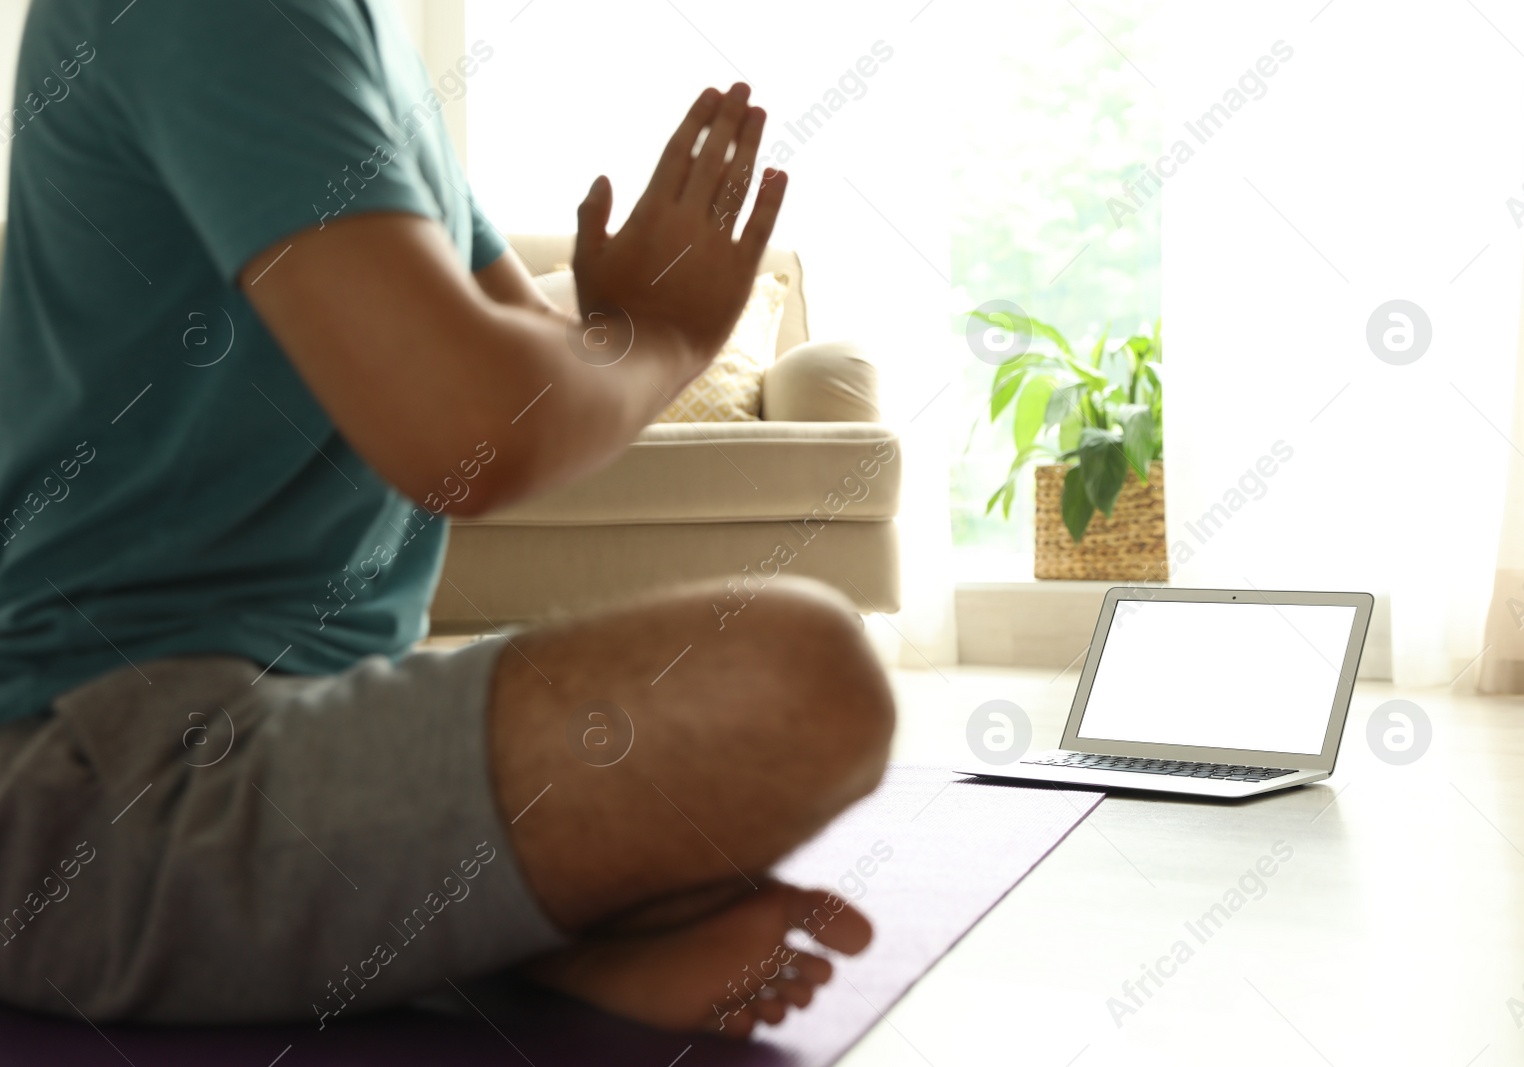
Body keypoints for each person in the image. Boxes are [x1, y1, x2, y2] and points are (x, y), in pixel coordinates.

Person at [0, 0, 894, 1038]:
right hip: (93, 772)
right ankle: (508, 940)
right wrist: (657, 329)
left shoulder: (353, 40)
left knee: (766, 688)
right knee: (798, 680)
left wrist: (619, 327)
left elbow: (535, 370)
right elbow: (468, 427)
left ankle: (502, 942)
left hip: (319, 711)